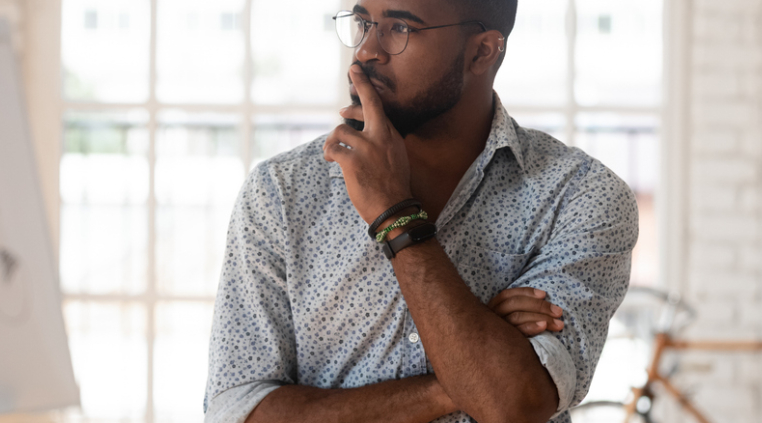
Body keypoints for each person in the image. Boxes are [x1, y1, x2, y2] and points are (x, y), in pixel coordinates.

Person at [204, 0, 638, 422]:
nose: (365, 51)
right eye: (362, 22)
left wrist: (396, 217)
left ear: (482, 51)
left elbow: (514, 408)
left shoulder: (581, 197)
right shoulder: (283, 192)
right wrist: (465, 377)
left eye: (400, 27)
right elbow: (238, 411)